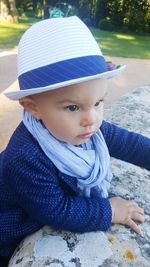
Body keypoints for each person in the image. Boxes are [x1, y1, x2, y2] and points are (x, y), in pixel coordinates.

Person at [0, 16, 149, 266]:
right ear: (33, 108)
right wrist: (109, 210)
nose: (91, 119)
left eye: (99, 103)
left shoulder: (87, 128)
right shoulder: (25, 156)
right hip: (9, 233)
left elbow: (129, 143)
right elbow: (57, 210)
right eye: (72, 107)